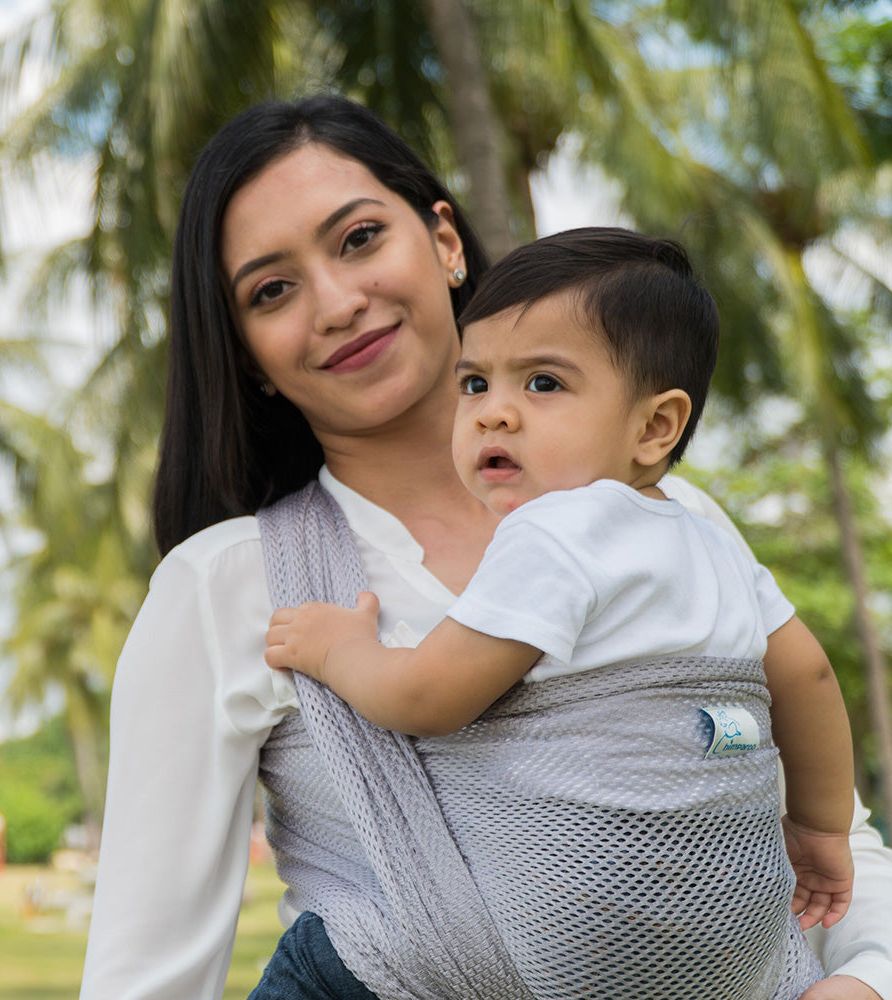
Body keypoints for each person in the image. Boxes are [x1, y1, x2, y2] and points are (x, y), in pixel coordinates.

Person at [78, 95, 892, 1000]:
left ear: (446, 242)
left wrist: (867, 976)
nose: (339, 303)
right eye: (273, 290)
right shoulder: (227, 584)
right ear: (246, 354)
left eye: (358, 239)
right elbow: (143, 978)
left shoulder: (669, 515)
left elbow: (813, 827)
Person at [264, 227, 855, 997]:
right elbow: (806, 673)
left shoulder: (554, 531)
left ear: (655, 427)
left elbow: (427, 698)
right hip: (730, 937)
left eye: (542, 384)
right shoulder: (708, 539)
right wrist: (818, 829)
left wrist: (337, 650)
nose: (493, 414)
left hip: (585, 928)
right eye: (474, 384)